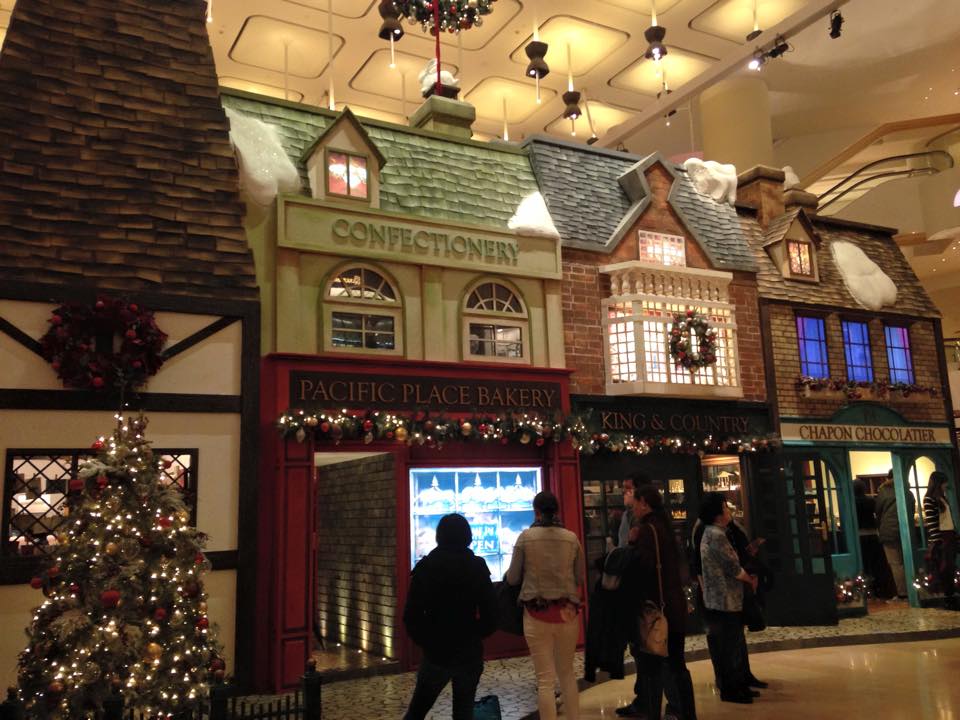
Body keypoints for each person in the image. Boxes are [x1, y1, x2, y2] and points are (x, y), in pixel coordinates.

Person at [403, 514, 498, 720]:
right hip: (469, 651)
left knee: (417, 710)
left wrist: (427, 641)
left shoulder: (426, 567)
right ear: (468, 536)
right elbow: (491, 613)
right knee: (463, 712)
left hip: (437, 652)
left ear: (439, 536)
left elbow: (411, 615)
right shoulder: (477, 566)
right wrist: (475, 634)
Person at [616, 485, 696, 720]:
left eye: (635, 501)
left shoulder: (646, 531)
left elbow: (643, 570)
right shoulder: (665, 527)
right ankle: (686, 713)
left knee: (652, 669)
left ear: (644, 503)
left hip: (656, 612)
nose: (633, 507)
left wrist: (631, 545)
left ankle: (654, 712)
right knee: (677, 664)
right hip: (674, 606)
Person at [506, 491, 584, 720]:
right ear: (557, 511)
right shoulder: (571, 538)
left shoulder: (525, 537)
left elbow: (512, 578)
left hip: (536, 614)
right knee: (567, 673)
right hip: (567, 614)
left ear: (536, 512)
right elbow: (580, 577)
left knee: (545, 680)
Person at [698, 492, 757, 705]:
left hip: (721, 598)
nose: (728, 511)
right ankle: (732, 689)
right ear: (716, 514)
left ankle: (738, 685)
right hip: (724, 599)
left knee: (730, 644)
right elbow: (732, 566)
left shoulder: (712, 532)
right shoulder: (716, 535)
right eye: (724, 507)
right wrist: (749, 579)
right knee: (729, 646)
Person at [876, 469, 916, 600]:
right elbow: (912, 512)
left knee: (895, 563)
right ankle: (914, 591)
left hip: (888, 531)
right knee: (908, 561)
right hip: (906, 531)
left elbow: (878, 511)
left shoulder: (884, 491)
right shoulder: (908, 492)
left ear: (888, 478)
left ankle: (902, 593)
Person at [923, 471, 957, 609]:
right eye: (943, 483)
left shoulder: (942, 497)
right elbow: (932, 522)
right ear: (938, 484)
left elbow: (948, 519)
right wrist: (937, 541)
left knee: (950, 567)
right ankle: (947, 598)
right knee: (943, 568)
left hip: (949, 535)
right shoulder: (929, 499)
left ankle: (950, 596)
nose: (945, 486)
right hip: (941, 537)